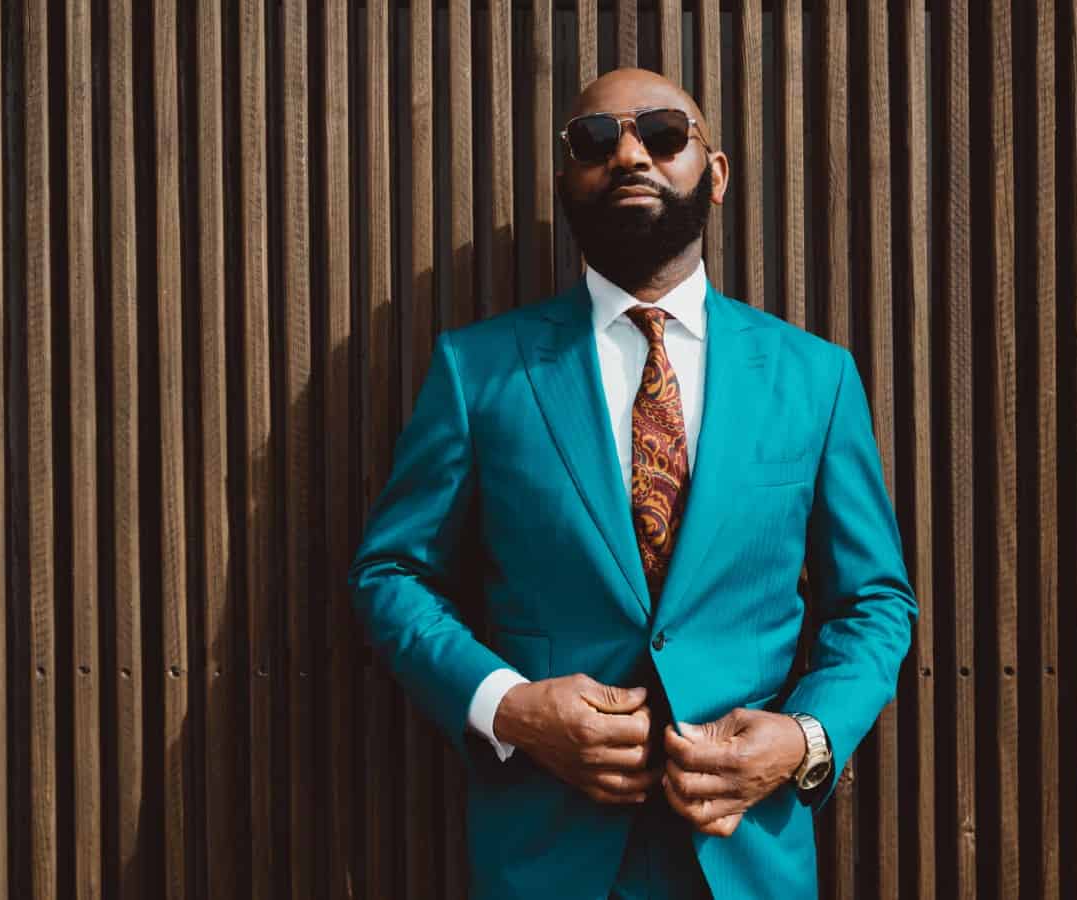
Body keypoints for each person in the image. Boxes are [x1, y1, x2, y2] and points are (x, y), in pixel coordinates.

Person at [348, 67, 917, 900]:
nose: (628, 155)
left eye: (661, 134)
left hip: (746, 858)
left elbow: (874, 603)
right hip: (546, 856)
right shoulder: (477, 372)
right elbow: (392, 576)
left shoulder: (815, 378)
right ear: (565, 185)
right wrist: (509, 708)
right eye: (594, 140)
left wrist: (804, 738)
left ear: (713, 174)